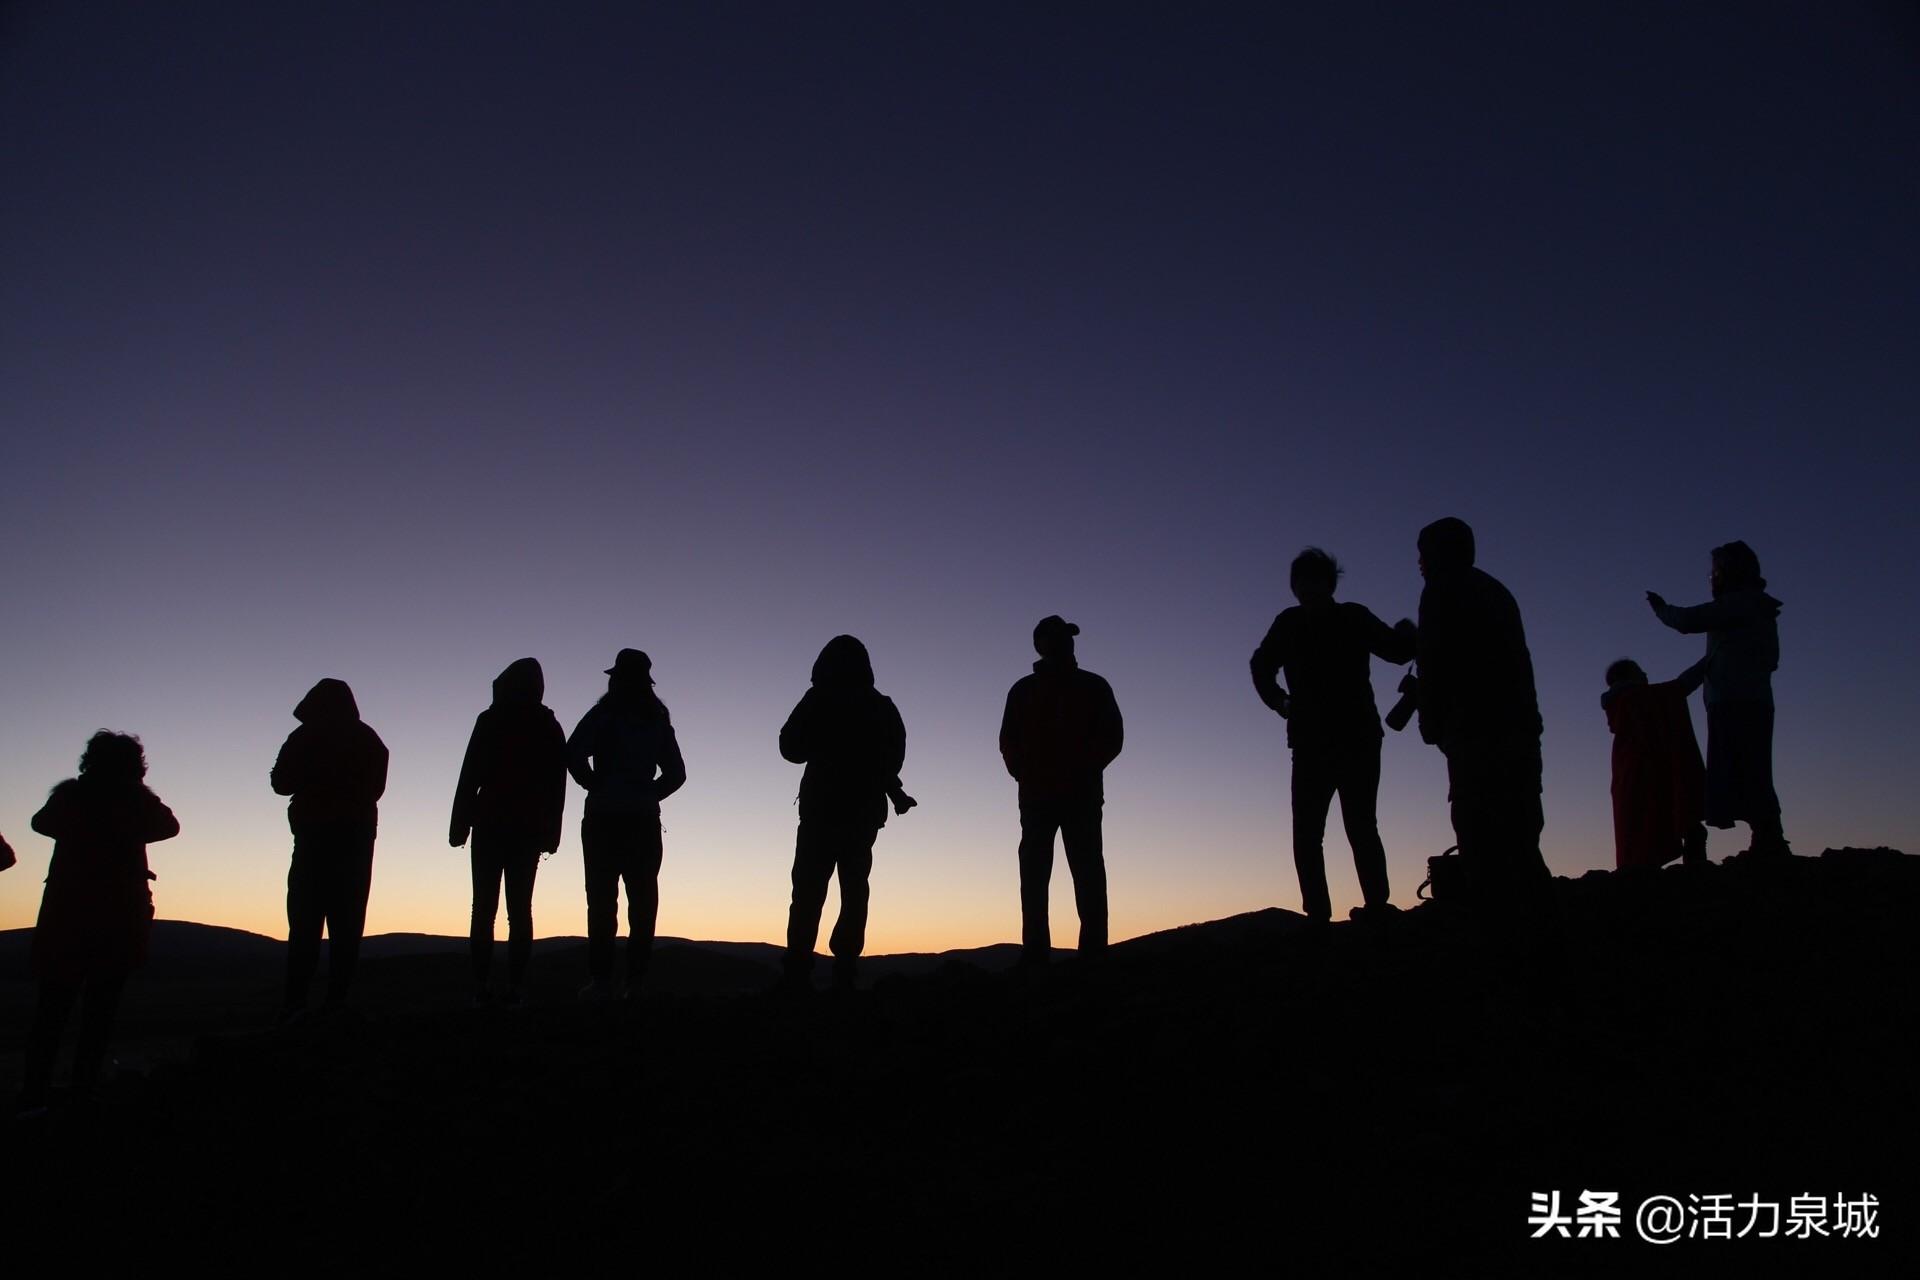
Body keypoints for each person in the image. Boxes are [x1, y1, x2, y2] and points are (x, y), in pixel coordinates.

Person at [1250, 548, 1415, 922]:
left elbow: (1395, 651)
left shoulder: (1352, 616)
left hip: (1356, 739)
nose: (1304, 587)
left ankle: (1375, 906)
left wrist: (1407, 633)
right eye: (1299, 581)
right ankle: (1319, 915)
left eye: (1311, 579)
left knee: (1358, 825)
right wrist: (1280, 701)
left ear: (1329, 582)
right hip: (1313, 742)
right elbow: (1260, 665)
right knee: (1309, 833)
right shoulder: (1290, 623)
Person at [21, 731, 178, 1111]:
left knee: (52, 1010)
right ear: (135, 765)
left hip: (67, 915)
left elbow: (41, 823)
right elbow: (168, 826)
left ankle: (34, 1094)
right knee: (100, 1010)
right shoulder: (136, 801)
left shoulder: (72, 796)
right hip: (117, 918)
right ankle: (81, 1090)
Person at [1411, 518, 1550, 903]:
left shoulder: (1440, 591)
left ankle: (1495, 943)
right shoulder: (1497, 591)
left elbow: (1435, 661)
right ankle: (1541, 931)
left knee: (1481, 840)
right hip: (1519, 732)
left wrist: (1430, 722)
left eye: (1423, 555)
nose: (1419, 564)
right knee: (1522, 840)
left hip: (1474, 736)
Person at [779, 635, 908, 991]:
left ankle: (797, 973)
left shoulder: (817, 699)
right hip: (862, 813)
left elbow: (789, 747)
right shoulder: (881, 706)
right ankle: (845, 972)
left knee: (807, 892)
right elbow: (895, 757)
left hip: (822, 811)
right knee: (853, 891)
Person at [1647, 540, 1789, 858]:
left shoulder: (1741, 605)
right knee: (1748, 767)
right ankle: (1767, 836)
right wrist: (1684, 684)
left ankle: (1770, 839)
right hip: (1743, 699)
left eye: (1715, 571)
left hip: (1736, 701)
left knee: (1749, 768)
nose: (1712, 578)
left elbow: (1687, 622)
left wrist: (1661, 609)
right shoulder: (1751, 609)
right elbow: (1716, 658)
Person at [999, 615, 1124, 963]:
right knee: (1036, 879)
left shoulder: (1094, 686)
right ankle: (1036, 956)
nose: (1065, 642)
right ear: (1041, 644)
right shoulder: (1022, 690)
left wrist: (1085, 767)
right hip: (1037, 798)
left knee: (1087, 875)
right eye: (1056, 637)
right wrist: (1022, 771)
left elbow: (1113, 735)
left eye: (1067, 637)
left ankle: (1094, 955)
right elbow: (1008, 738)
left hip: (1081, 796)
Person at [566, 648, 686, 998]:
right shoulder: (656, 719)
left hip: (603, 818)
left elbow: (572, 752)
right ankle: (635, 982)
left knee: (602, 901)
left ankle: (603, 980)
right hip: (641, 821)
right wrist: (649, 795)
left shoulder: (604, 714)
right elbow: (676, 774)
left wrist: (593, 784)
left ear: (616, 679)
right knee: (643, 902)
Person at [450, 657, 567, 1006]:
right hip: (529, 828)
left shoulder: (491, 720)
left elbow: (470, 774)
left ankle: (481, 986)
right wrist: (552, 832)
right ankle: (515, 987)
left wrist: (459, 825)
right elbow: (556, 787)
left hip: (490, 823)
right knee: (520, 909)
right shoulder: (548, 725)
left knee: (483, 908)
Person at [272, 678, 389, 1019]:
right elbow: (375, 791)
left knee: (305, 924)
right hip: (355, 841)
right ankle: (336, 1003)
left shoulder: (305, 736)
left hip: (314, 839)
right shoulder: (370, 740)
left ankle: (295, 1005)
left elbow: (280, 782)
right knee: (347, 925)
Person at [1602, 659, 1708, 871]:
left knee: (1643, 830)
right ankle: (1696, 875)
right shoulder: (1639, 698)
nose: (1645, 675)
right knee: (1685, 823)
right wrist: (1709, 661)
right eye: (1640, 671)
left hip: (1632, 777)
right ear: (1629, 676)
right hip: (1653, 774)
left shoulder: (1623, 703)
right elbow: (1681, 687)